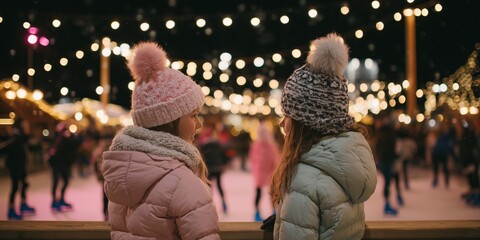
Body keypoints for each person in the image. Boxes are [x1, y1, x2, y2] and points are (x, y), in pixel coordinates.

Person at [102, 42, 220, 239]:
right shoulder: (184, 184)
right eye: (193, 115)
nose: (199, 125)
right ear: (169, 120)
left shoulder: (122, 177)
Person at [270, 33, 377, 239]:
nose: (282, 123)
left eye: (288, 115)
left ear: (306, 123)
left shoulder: (304, 181)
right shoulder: (346, 167)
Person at [0, 119, 36, 220]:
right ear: (21, 126)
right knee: (15, 187)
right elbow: (6, 147)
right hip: (15, 166)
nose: (27, 127)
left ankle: (23, 205)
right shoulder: (17, 137)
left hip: (21, 165)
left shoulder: (22, 137)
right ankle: (11, 210)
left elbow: (28, 146)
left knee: (24, 184)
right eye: (25, 126)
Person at [46, 121, 82, 212]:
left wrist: (74, 135)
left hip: (63, 163)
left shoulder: (68, 137)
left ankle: (61, 199)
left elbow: (75, 145)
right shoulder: (57, 137)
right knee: (55, 181)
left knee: (65, 181)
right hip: (55, 162)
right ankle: (54, 202)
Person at [249, 121, 279, 222]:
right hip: (263, 172)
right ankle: (259, 212)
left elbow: (275, 160)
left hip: (268, 172)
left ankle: (272, 210)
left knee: (271, 192)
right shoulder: (262, 145)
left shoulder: (265, 145)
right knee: (266, 192)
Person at [374, 112, 402, 215]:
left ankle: (392, 201)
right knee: (389, 182)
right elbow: (390, 149)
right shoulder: (389, 133)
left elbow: (380, 147)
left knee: (390, 181)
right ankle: (387, 204)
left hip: (384, 160)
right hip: (387, 161)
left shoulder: (383, 132)